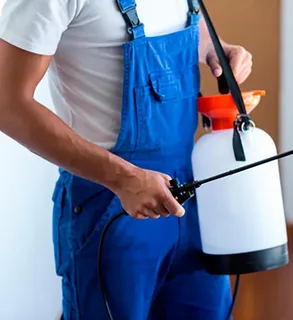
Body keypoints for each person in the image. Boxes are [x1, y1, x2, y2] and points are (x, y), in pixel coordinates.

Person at [0, 0, 253, 319]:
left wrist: (215, 50)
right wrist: (123, 178)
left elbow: (179, 24)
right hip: (109, 205)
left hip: (191, 197)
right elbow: (8, 104)